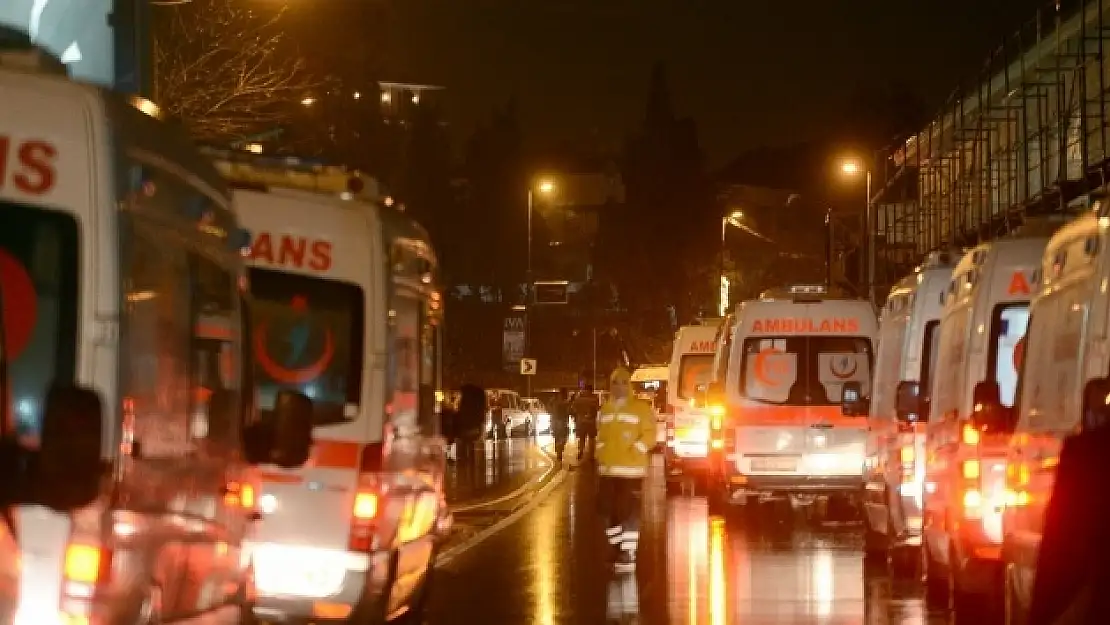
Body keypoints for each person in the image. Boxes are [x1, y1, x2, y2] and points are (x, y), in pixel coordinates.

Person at [596, 367, 655, 571]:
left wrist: (636, 449)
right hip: (609, 471)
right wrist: (600, 456)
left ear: (628, 384)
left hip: (631, 470)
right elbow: (601, 437)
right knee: (607, 511)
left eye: (623, 382)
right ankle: (616, 546)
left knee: (628, 512)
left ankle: (628, 552)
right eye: (615, 382)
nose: (619, 386)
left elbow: (650, 435)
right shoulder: (605, 409)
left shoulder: (641, 409)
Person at [574, 384, 600, 461]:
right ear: (591, 391)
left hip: (581, 422)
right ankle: (591, 455)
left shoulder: (578, 398)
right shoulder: (594, 399)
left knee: (582, 438)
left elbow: (574, 409)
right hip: (591, 422)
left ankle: (581, 451)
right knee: (591, 438)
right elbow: (597, 408)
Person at [549, 388, 573, 463]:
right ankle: (559, 450)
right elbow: (569, 410)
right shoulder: (564, 401)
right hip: (561, 421)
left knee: (558, 436)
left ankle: (558, 450)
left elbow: (549, 408)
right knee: (562, 437)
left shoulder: (554, 400)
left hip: (556, 421)